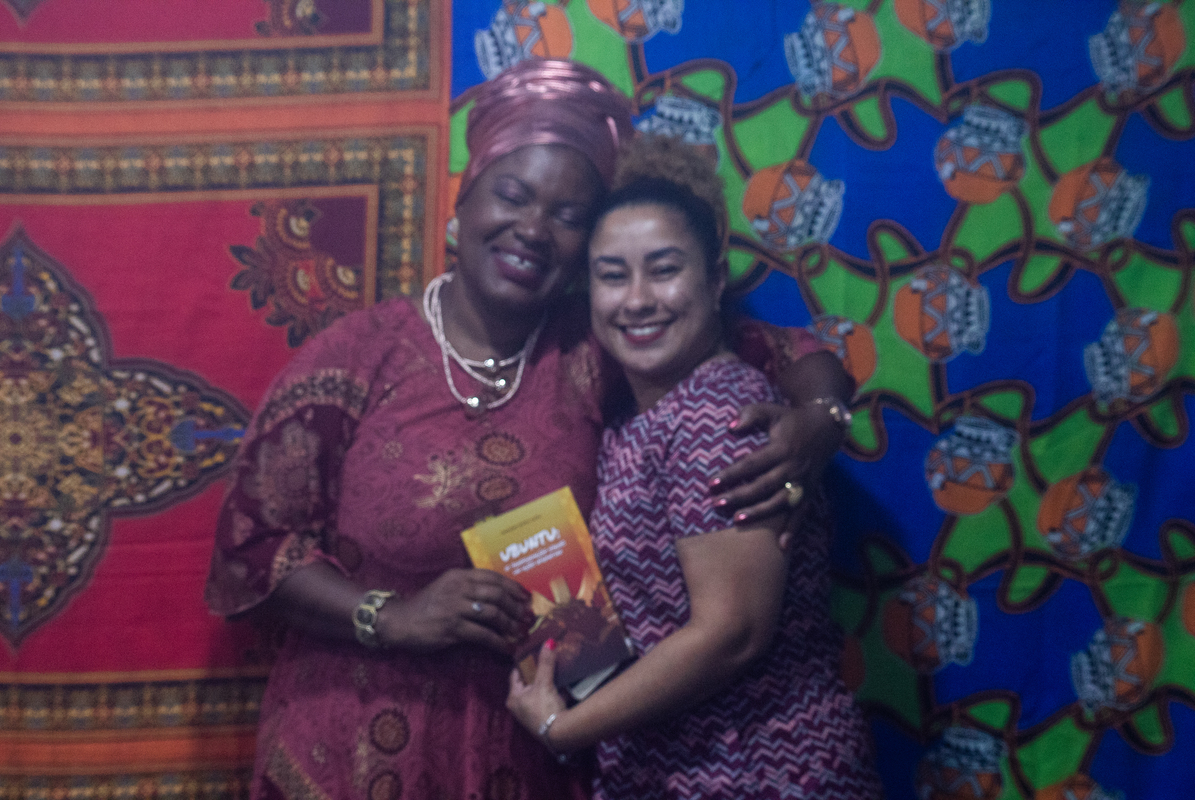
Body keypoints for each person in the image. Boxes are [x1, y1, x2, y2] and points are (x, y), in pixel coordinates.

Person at [204, 59, 854, 800]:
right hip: (352, 748)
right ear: (465, 199)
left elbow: (786, 353)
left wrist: (819, 420)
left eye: (570, 216)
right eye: (512, 196)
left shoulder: (599, 344)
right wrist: (393, 617)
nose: (534, 230)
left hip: (539, 746)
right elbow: (253, 547)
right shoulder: (357, 357)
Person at [506, 135, 883, 799]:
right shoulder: (635, 420)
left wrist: (563, 729)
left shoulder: (720, 415)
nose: (637, 300)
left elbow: (732, 632)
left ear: (714, 280)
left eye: (664, 270)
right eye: (613, 276)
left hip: (761, 773)